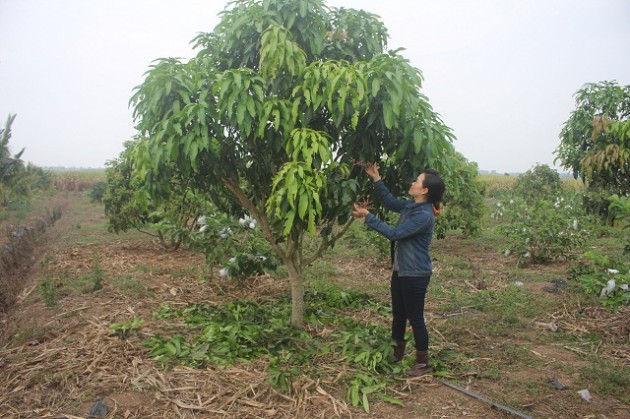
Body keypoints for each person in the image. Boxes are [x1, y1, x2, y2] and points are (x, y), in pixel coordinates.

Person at [351, 163, 445, 376]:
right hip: (401, 270)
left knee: (416, 318)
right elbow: (390, 202)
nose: (413, 182)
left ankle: (423, 363)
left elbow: (395, 233)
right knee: (398, 315)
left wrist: (368, 217)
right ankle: (397, 353)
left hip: (416, 274)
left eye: (417, 181)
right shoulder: (412, 206)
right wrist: (376, 178)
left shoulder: (423, 215)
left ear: (425, 190)